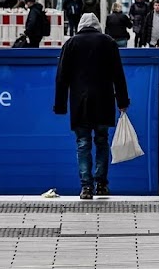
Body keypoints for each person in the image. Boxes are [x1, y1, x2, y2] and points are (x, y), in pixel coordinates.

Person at [54, 12, 130, 200]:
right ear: (97, 25)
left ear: (80, 25)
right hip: (103, 100)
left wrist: (60, 105)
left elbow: (62, 78)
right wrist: (122, 101)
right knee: (102, 141)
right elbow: (118, 75)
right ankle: (101, 184)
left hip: (80, 102)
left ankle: (86, 187)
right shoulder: (109, 42)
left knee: (83, 143)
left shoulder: (70, 44)